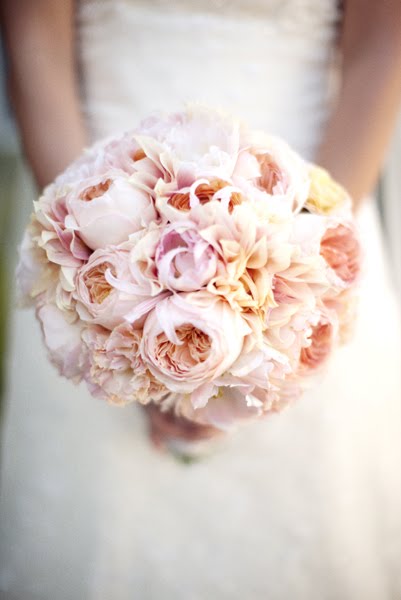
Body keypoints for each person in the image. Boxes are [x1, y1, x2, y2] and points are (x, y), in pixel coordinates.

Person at [0, 1, 400, 598]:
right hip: (100, 210)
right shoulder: (93, 255)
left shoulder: (306, 258)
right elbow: (36, 48)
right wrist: (97, 277)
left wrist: (302, 271)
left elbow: (380, 51)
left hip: (308, 217)